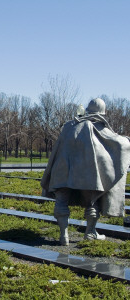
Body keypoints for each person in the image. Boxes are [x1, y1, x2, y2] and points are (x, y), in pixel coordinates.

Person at [41, 98, 130, 246]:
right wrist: (127, 141)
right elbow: (117, 142)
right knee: (92, 202)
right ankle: (89, 232)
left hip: (62, 170)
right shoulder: (99, 127)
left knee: (61, 200)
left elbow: (57, 148)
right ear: (102, 112)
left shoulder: (69, 125)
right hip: (88, 174)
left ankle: (64, 235)